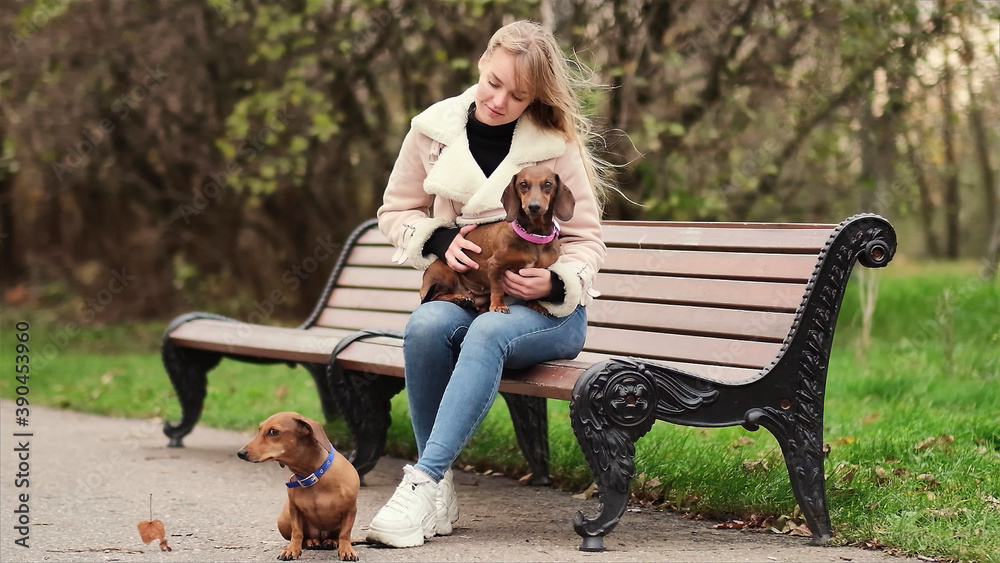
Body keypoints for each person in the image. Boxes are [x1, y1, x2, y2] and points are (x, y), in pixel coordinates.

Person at [368, 19, 609, 548]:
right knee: (427, 324)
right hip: (471, 291)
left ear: (535, 98)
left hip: (548, 316)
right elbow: (394, 210)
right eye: (494, 82)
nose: (500, 100)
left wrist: (553, 284)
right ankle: (441, 492)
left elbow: (588, 241)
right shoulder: (432, 130)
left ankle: (423, 480)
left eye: (518, 94)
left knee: (485, 334)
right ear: (482, 61)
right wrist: (436, 241)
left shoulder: (553, 145)